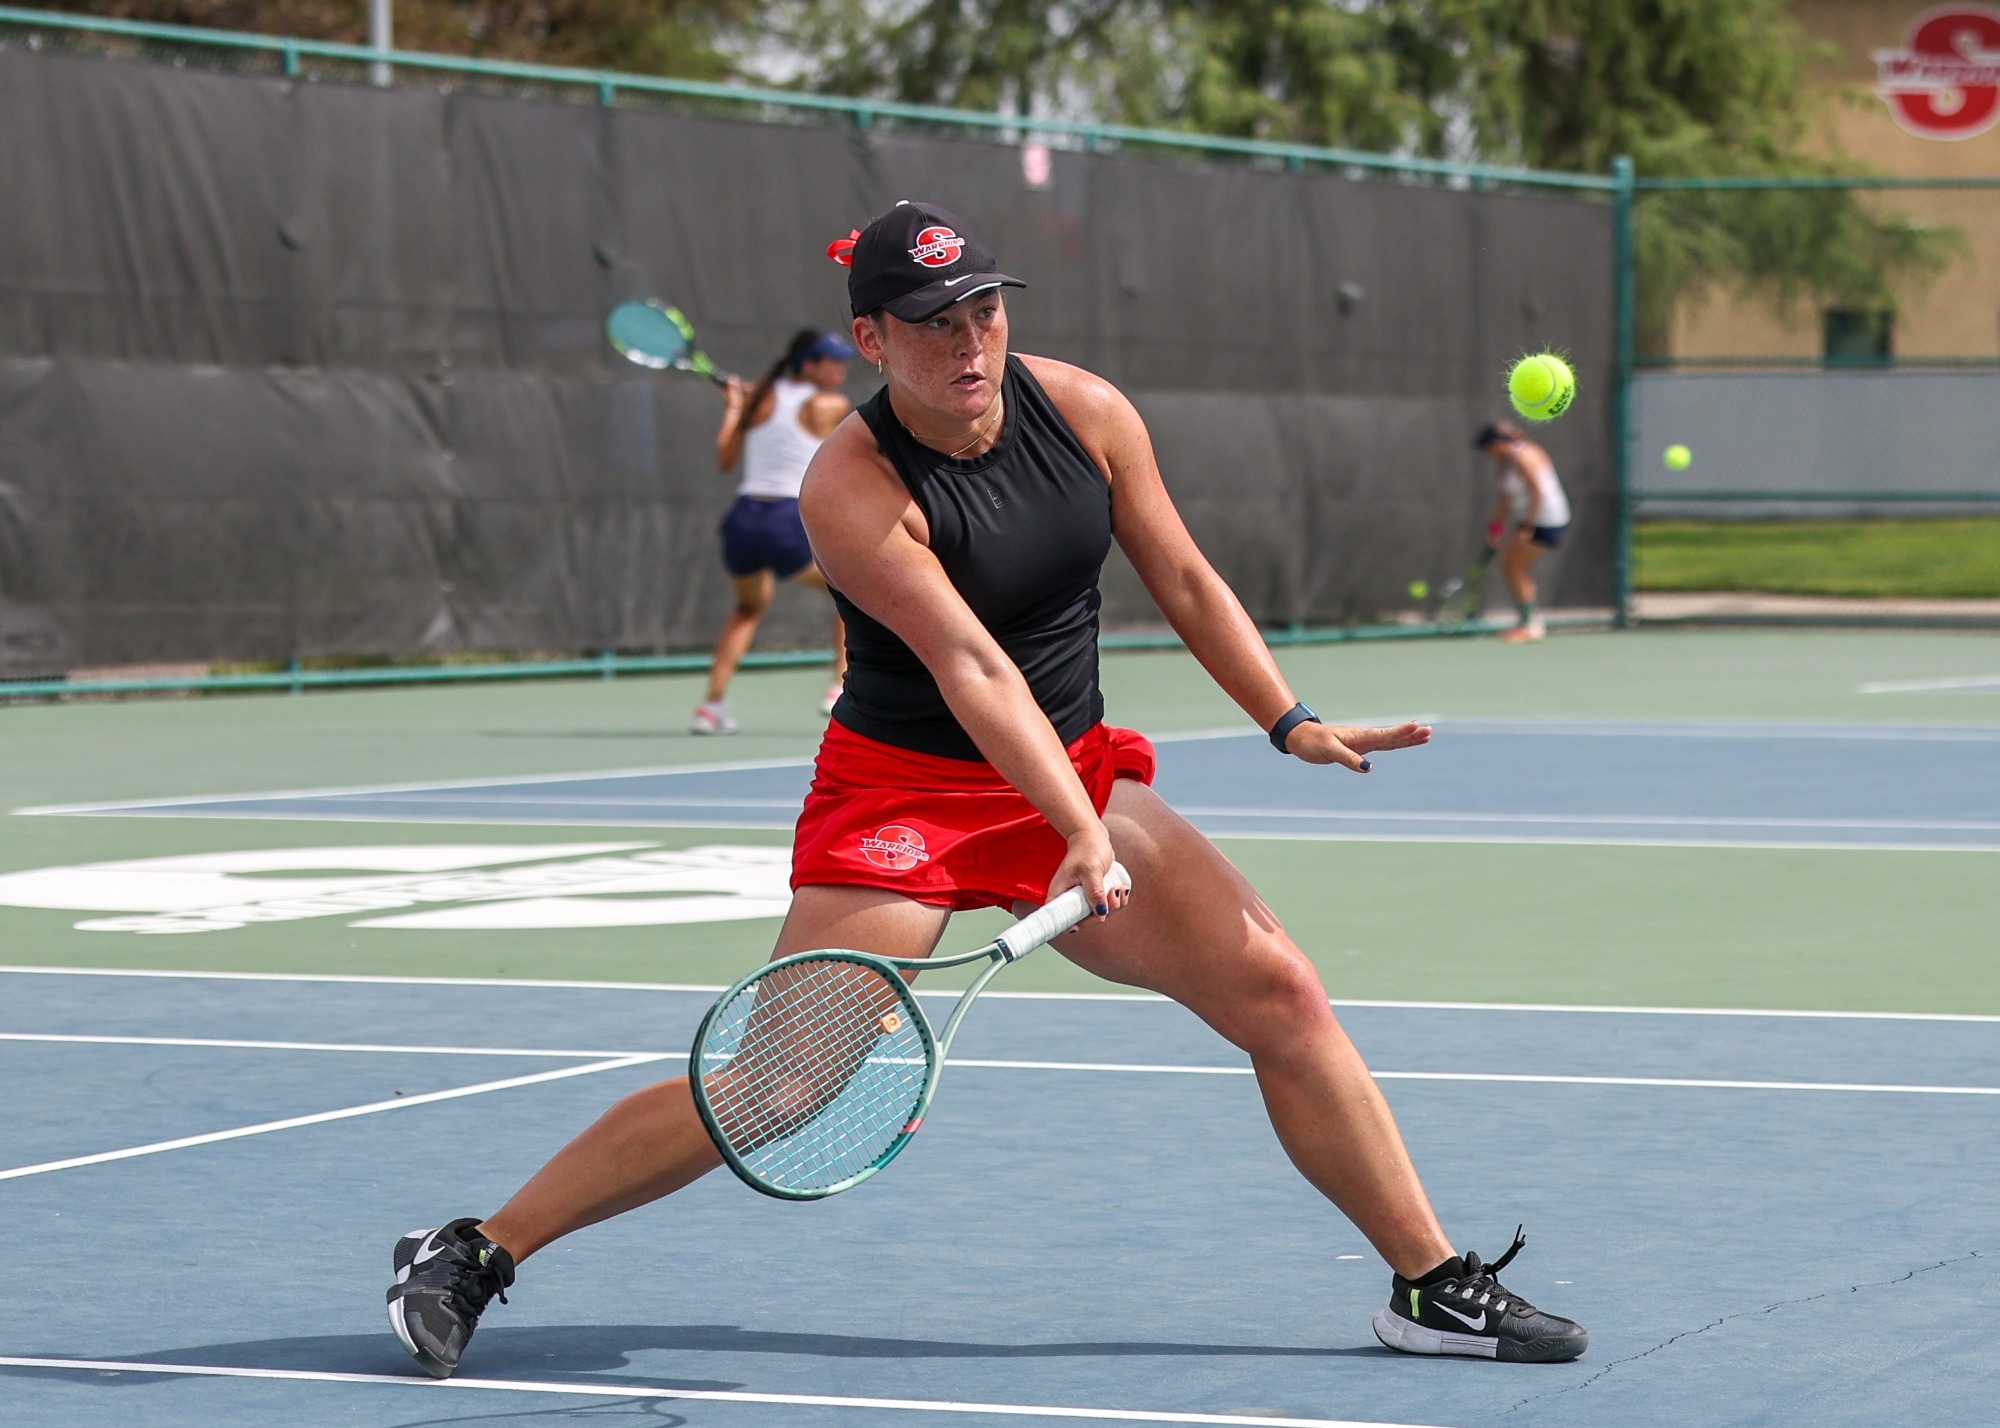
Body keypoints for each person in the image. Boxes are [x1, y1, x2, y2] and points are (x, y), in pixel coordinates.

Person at [387, 202, 1588, 1376]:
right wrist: (1078, 830)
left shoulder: (1085, 411)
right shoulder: (849, 486)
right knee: (780, 1087)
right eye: (930, 323)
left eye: (982, 311)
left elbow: (1178, 569)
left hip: (1069, 767)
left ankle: (1428, 1285)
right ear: (872, 342)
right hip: (904, 795)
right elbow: (971, 667)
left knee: (1280, 991)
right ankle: (474, 1252)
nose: (967, 344)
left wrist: (1286, 719)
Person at [690, 329, 855, 734]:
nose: (841, 369)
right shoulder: (830, 403)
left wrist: (736, 407)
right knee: (852, 590)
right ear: (808, 365)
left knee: (747, 609)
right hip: (785, 520)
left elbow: (725, 459)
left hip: (743, 522)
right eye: (831, 361)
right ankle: (839, 687)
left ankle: (711, 707)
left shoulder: (757, 398)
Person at [1474, 420, 1571, 644]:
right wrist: (1496, 528)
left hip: (1546, 520)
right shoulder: (1506, 461)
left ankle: (1531, 625)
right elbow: (1506, 498)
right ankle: (1528, 621)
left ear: (1499, 443)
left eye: (1488, 447)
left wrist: (1527, 527)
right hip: (1532, 519)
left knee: (1513, 566)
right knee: (1511, 566)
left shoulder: (1523, 457)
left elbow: (1538, 492)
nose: (1487, 453)